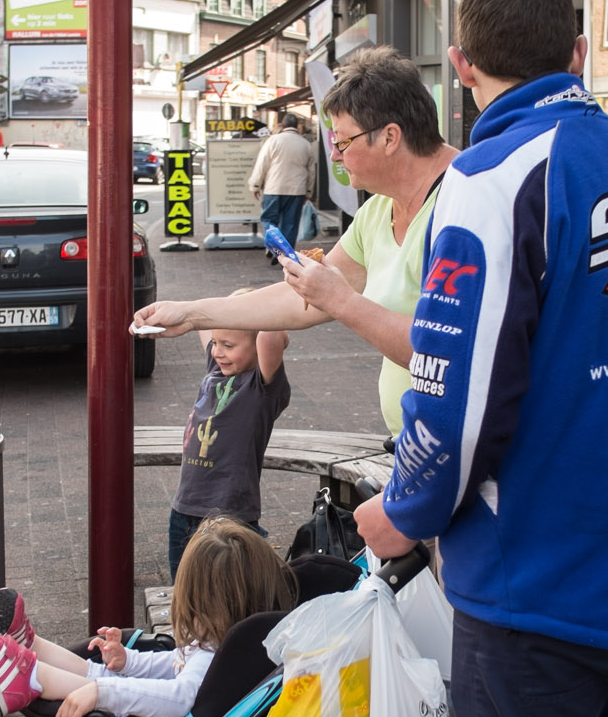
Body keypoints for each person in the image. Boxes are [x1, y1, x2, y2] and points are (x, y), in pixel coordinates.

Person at [349, 0, 608, 717]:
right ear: (578, 53)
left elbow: (455, 394)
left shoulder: (489, 178)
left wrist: (404, 512)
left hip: (539, 594)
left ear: (461, 64)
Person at [132, 47, 460, 439]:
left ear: (390, 136)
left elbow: (443, 352)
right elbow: (300, 299)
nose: (335, 155)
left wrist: (341, 300)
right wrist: (190, 314)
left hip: (469, 458)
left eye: (343, 141)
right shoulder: (378, 211)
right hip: (420, 444)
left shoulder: (463, 206)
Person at [0, 518, 298, 717]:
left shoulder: (214, 656)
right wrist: (130, 660)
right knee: (95, 671)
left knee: (96, 680)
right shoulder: (223, 644)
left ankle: (29, 677)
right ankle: (31, 646)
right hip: (141, 708)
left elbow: (180, 694)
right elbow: (174, 662)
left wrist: (104, 692)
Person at [167, 289, 291, 577]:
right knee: (184, 596)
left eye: (228, 345)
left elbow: (271, 335)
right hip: (184, 511)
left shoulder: (262, 388)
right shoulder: (216, 370)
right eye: (215, 343)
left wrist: (264, 304)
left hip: (231, 517)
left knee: (228, 600)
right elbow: (203, 318)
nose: (217, 351)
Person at [249, 113, 315, 264]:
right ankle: (287, 257)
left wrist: (255, 185)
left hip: (274, 188)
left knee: (268, 220)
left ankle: (275, 248)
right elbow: (311, 171)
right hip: (297, 190)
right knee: (290, 224)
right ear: (297, 126)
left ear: (282, 125)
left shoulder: (273, 141)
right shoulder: (305, 144)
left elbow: (262, 164)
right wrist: (308, 192)